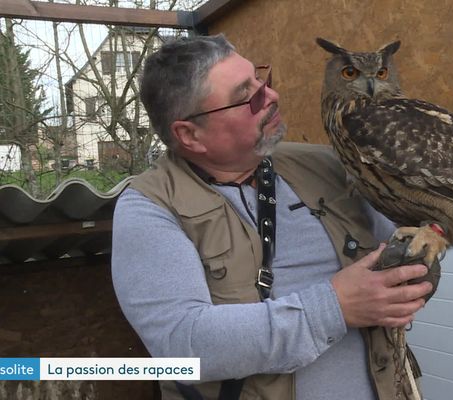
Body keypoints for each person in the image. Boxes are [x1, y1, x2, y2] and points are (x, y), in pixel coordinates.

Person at [111, 34, 433, 400]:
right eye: (247, 97)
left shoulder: (326, 164)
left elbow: (410, 242)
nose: (271, 97)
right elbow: (183, 343)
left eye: (260, 81)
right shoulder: (151, 207)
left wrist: (414, 277)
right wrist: (334, 308)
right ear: (190, 134)